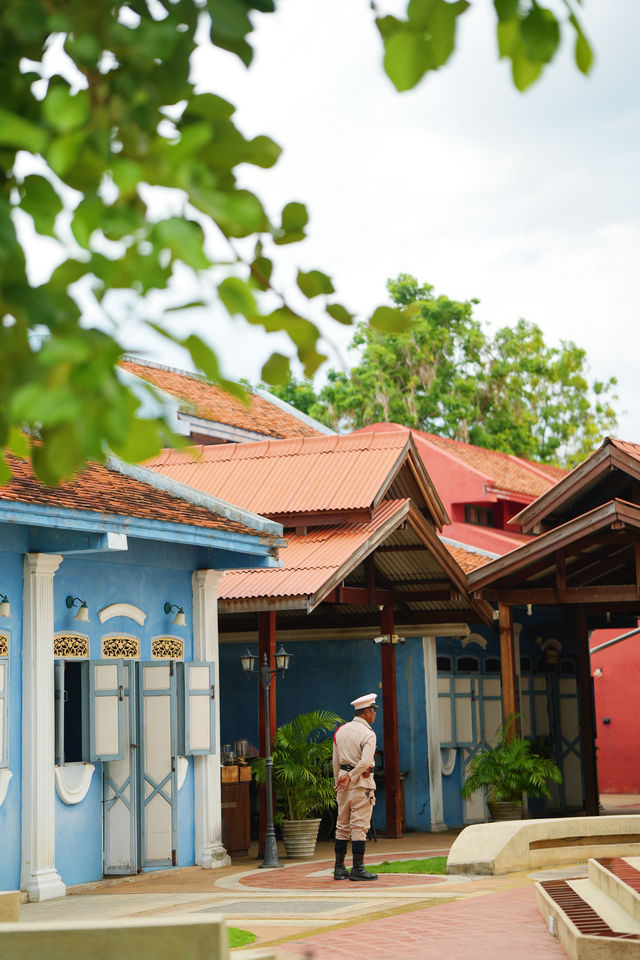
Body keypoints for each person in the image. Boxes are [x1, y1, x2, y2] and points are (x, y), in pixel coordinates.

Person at [332, 693, 378, 881]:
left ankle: (339, 868)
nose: (375, 714)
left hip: (343, 784)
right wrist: (351, 777)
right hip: (361, 784)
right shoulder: (368, 734)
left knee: (342, 825)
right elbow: (366, 761)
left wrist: (339, 781)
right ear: (366, 712)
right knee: (359, 827)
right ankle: (358, 869)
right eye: (373, 710)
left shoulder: (340, 731)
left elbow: (335, 760)